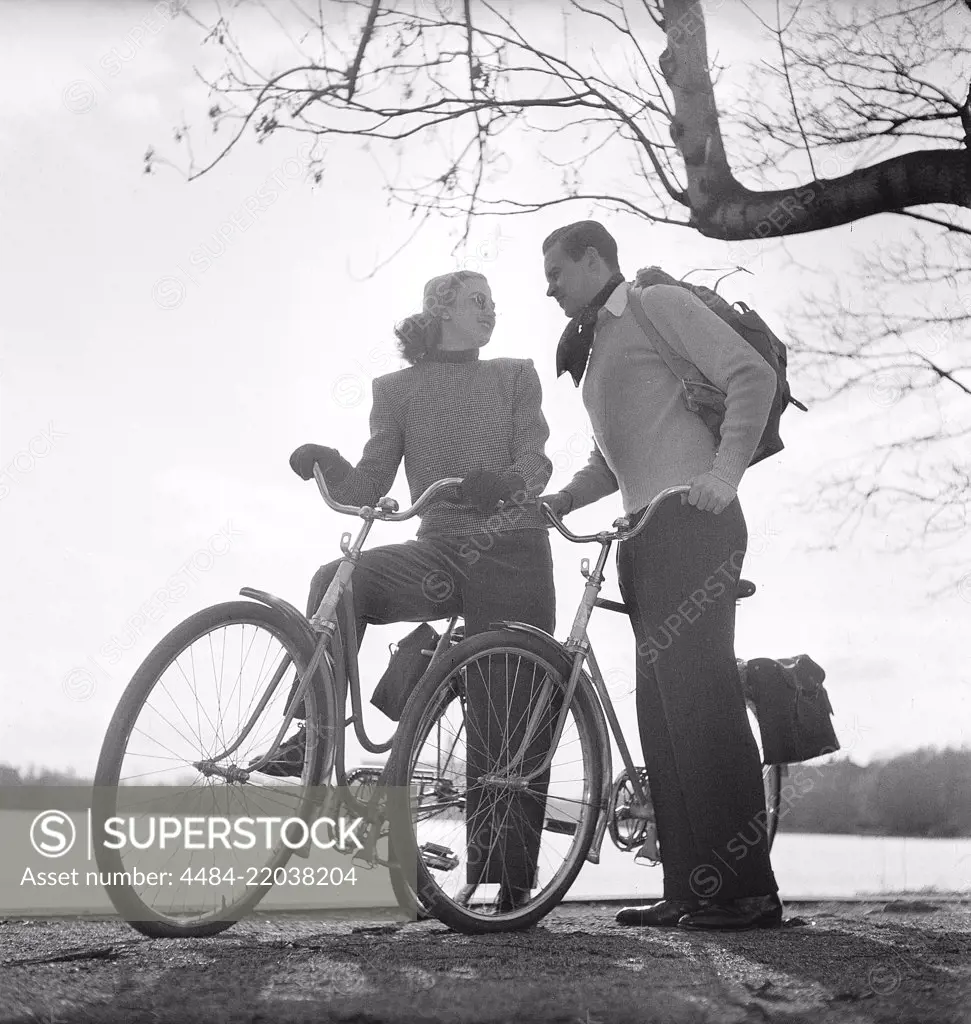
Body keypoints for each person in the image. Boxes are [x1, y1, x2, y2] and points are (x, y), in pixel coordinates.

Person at [254, 270, 556, 911]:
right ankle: (315, 734)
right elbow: (369, 485)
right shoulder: (394, 390)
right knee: (339, 579)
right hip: (442, 550)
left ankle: (509, 888)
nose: (491, 312)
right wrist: (327, 465)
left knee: (504, 714)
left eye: (495, 303)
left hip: (513, 550)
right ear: (441, 308)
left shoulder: (514, 374)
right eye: (479, 302)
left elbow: (538, 461)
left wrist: (502, 479)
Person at [538, 220, 783, 931]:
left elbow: (750, 376)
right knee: (663, 713)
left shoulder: (653, 303)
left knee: (702, 699)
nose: (547, 286)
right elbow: (611, 463)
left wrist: (722, 476)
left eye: (556, 270)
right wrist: (561, 498)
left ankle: (745, 894)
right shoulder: (597, 349)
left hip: (694, 520)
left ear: (594, 258)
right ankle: (690, 887)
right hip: (641, 534)